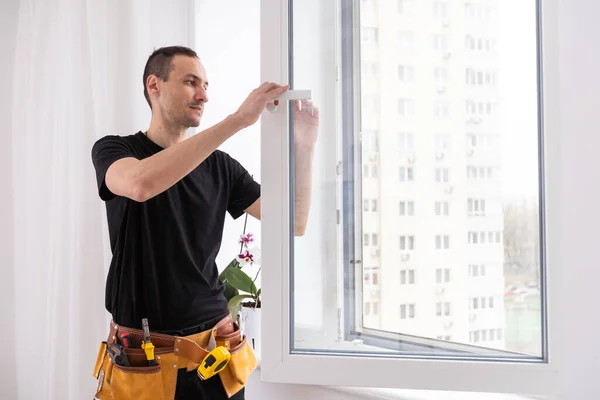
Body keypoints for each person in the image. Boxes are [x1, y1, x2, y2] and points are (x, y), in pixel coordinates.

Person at [91, 46, 318, 399]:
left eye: (206, 85)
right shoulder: (116, 151)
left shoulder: (221, 167)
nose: (204, 95)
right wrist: (238, 120)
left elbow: (295, 222)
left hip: (216, 354)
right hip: (143, 362)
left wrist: (304, 148)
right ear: (155, 85)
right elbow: (139, 185)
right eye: (191, 82)